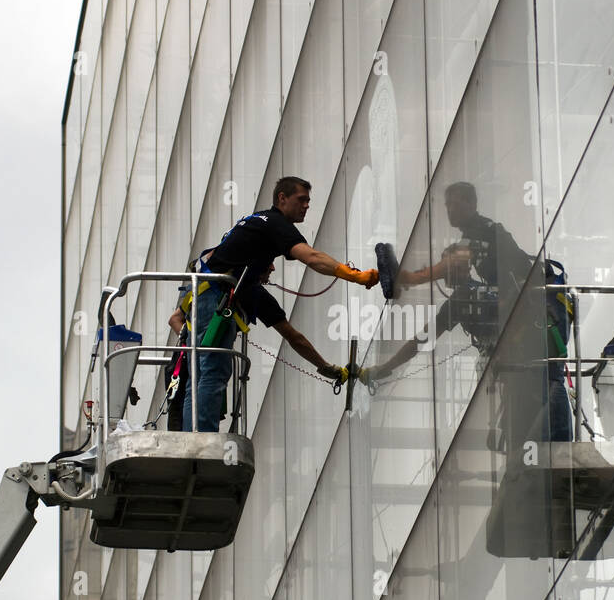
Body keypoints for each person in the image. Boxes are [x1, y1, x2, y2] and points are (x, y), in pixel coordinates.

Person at [368, 181, 573, 443]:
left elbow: (456, 260)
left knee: (547, 387)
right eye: (447, 205)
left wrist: (407, 278)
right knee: (530, 405)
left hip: (543, 319)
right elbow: (424, 337)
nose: (451, 209)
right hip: (532, 336)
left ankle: (403, 278)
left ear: (471, 204)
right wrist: (386, 367)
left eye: (456, 203)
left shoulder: (483, 233)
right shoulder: (467, 295)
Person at [175, 176, 378, 432]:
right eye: (301, 200)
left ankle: (193, 435)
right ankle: (201, 439)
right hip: (213, 297)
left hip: (206, 295)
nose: (306, 206)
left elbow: (293, 336)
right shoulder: (274, 223)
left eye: (308, 201)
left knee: (201, 374)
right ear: (282, 198)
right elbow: (311, 256)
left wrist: (328, 368)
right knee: (213, 370)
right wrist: (353, 275)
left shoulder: (250, 277)